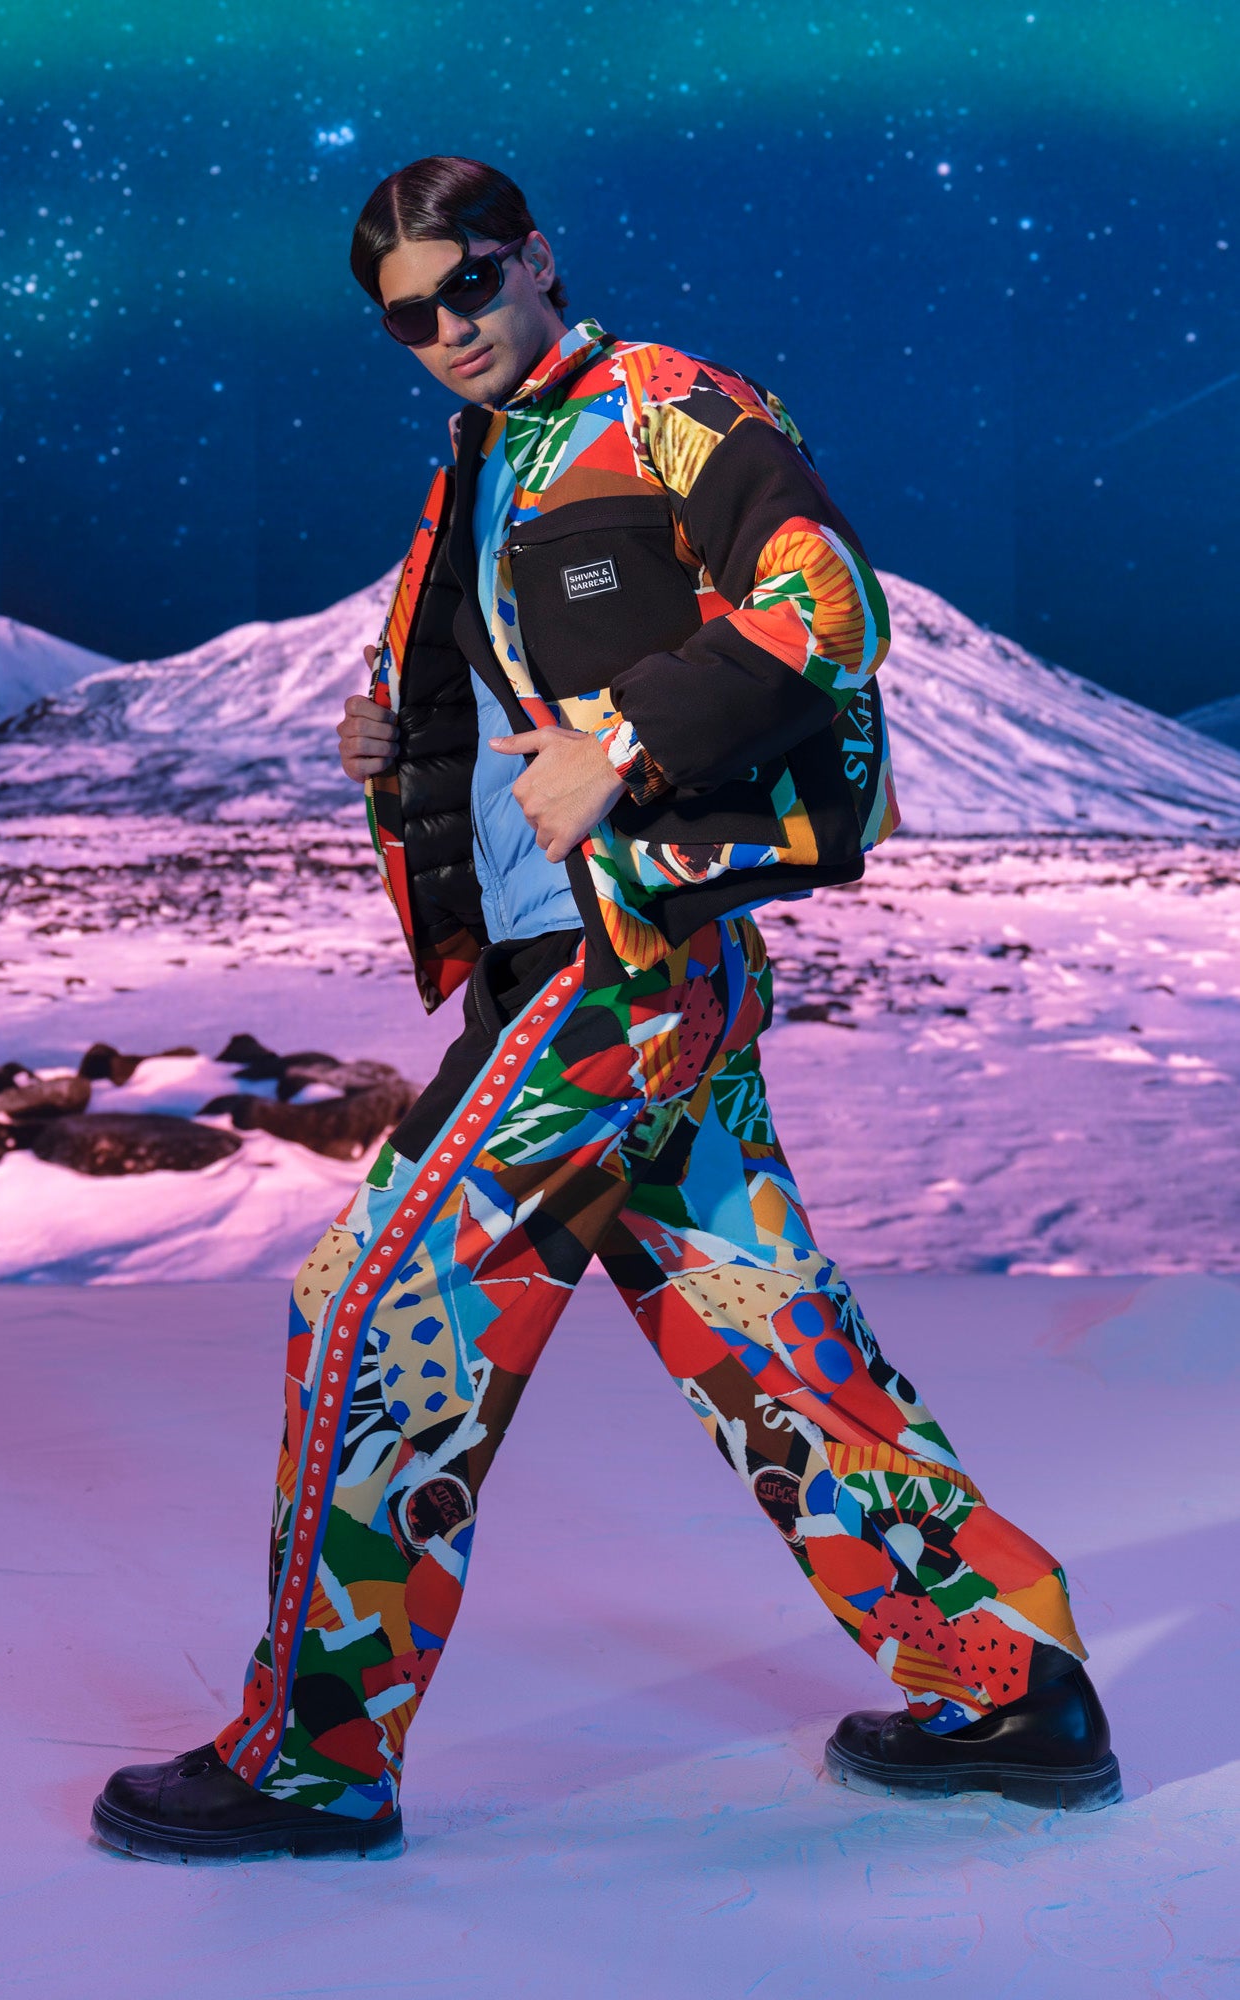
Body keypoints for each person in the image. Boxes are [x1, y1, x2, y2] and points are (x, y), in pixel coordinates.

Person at [92, 156, 1120, 1863]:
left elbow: (828, 602)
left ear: (536, 258)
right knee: (767, 1342)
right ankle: (1009, 1689)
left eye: (467, 285)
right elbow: (511, 688)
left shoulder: (666, 407)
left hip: (619, 971)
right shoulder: (481, 460)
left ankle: (312, 1762)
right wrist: (397, 743)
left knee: (374, 1313)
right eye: (406, 318)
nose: (446, 329)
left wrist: (627, 746)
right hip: (594, 969)